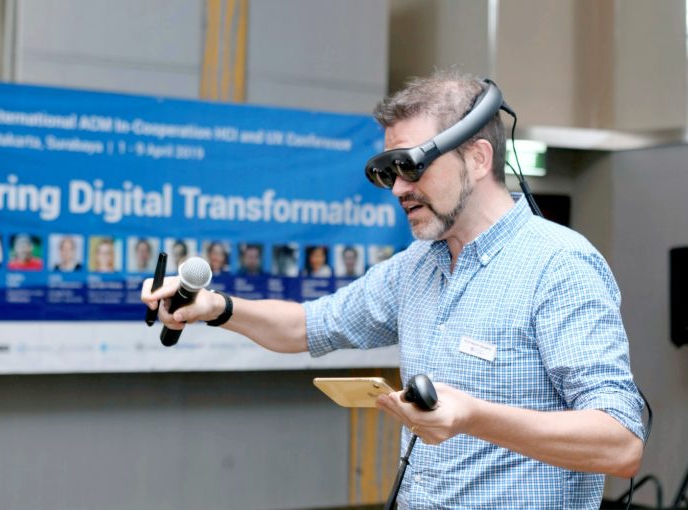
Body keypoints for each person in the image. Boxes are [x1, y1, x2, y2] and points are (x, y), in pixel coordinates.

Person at [143, 71, 644, 508]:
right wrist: (215, 307)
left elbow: (620, 444)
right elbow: (307, 326)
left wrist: (473, 417)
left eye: (412, 166)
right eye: (389, 172)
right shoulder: (414, 268)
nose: (399, 189)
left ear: (477, 158)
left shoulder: (559, 265)